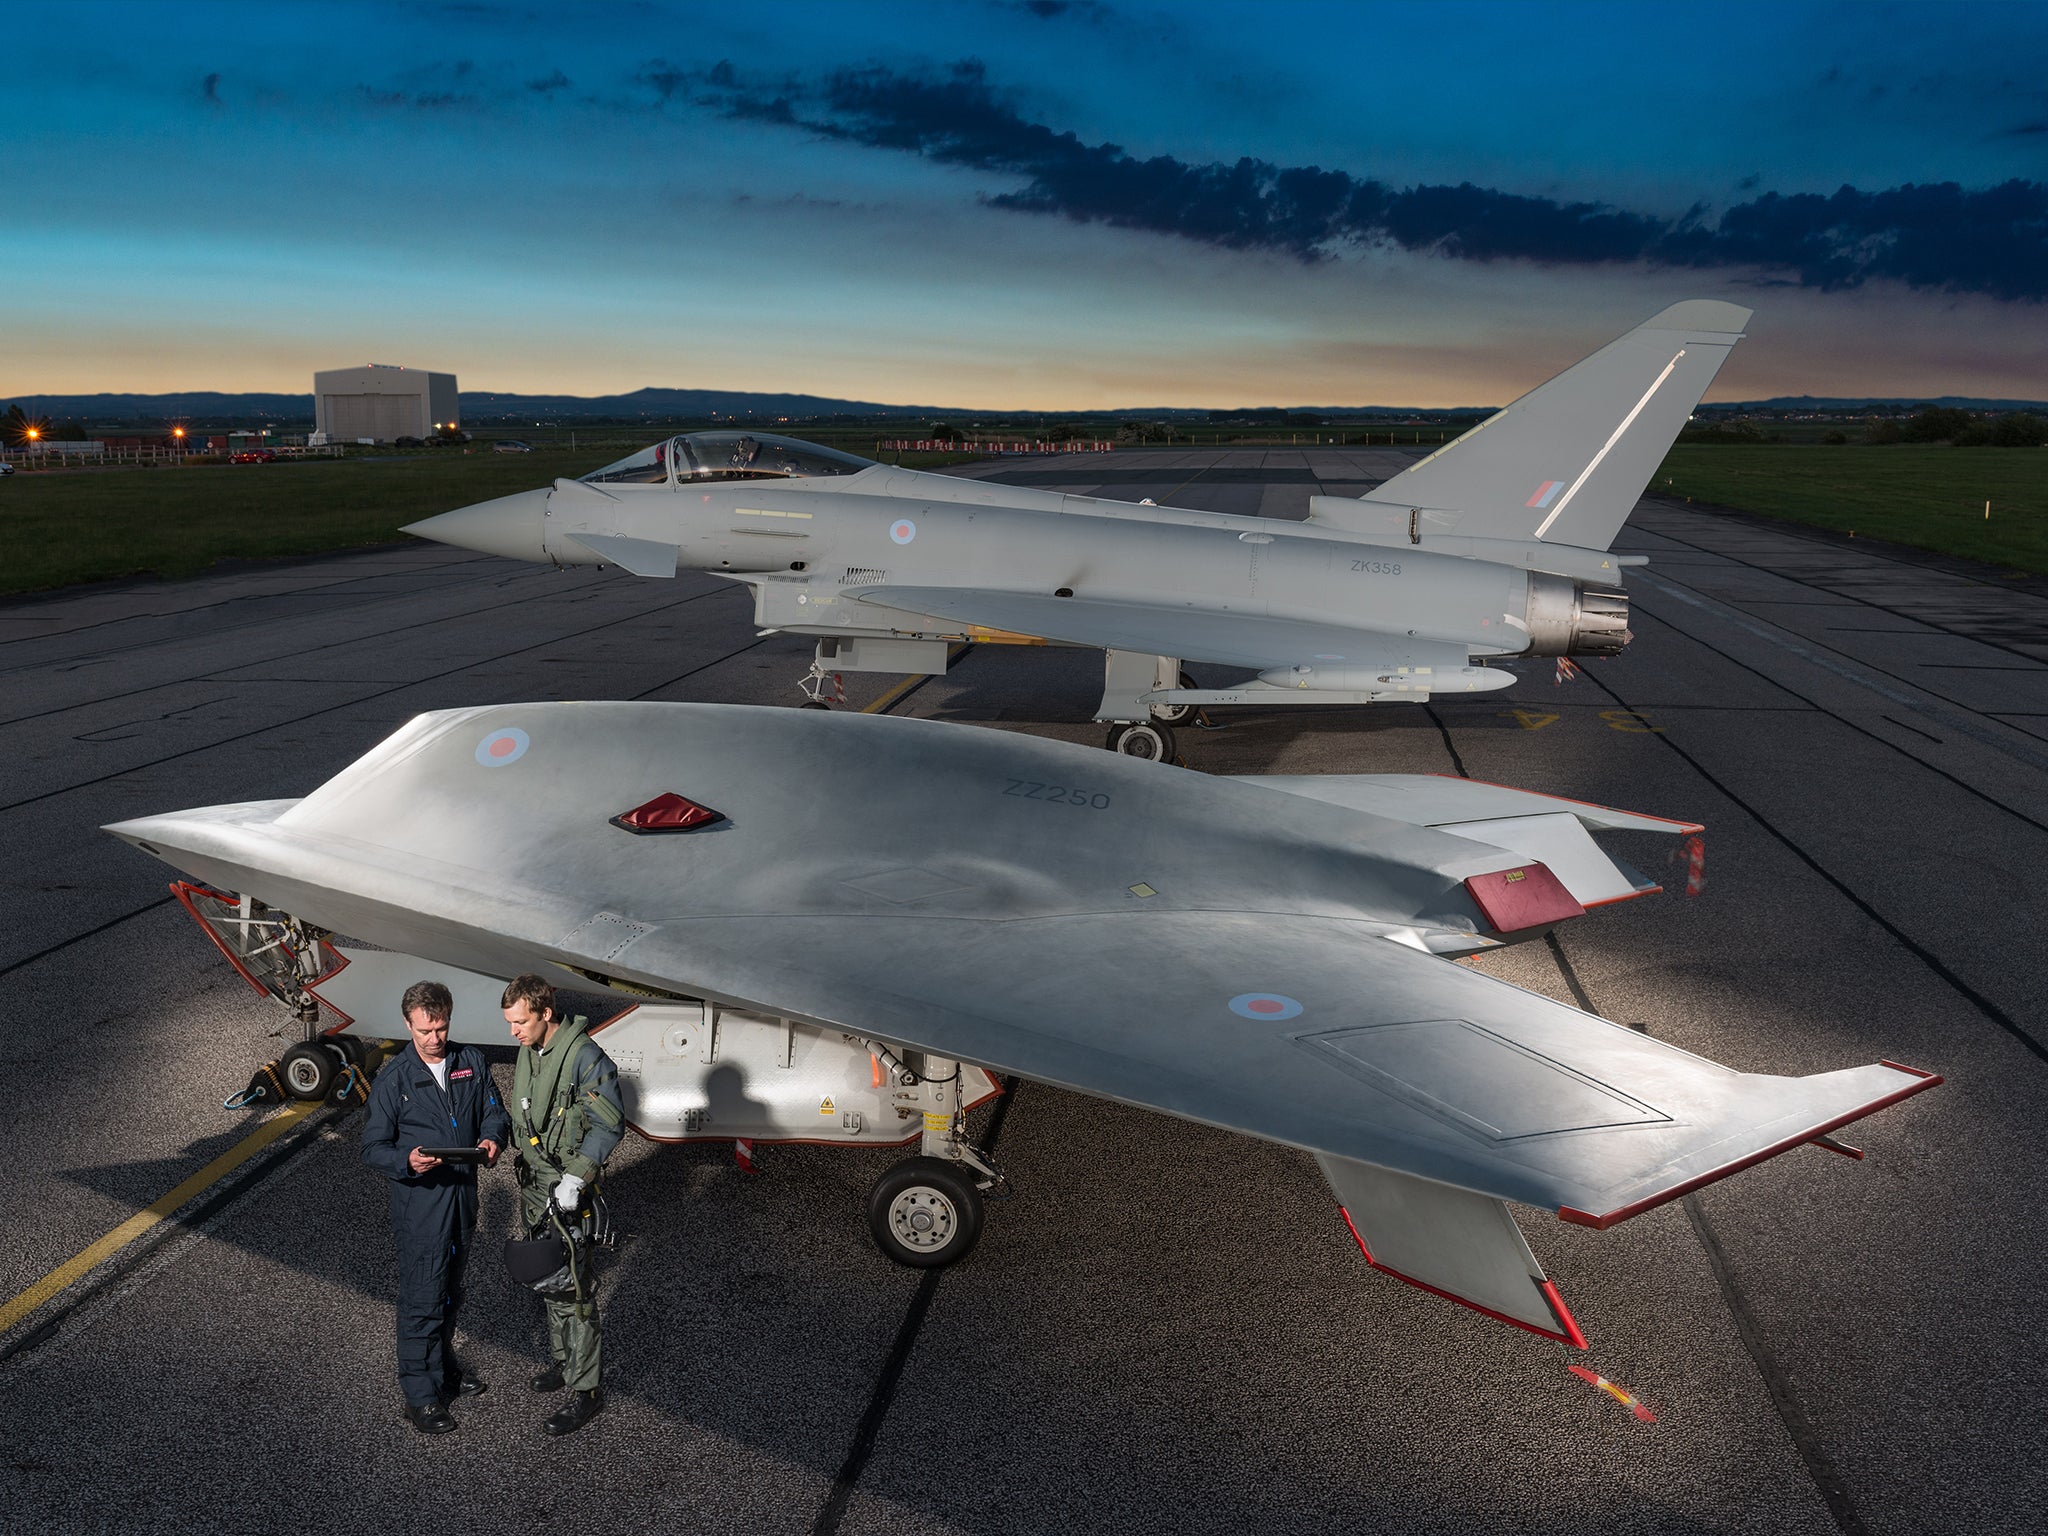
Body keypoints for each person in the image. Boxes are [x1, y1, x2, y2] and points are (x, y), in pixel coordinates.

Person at [361, 980, 509, 1435]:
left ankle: (443, 1371)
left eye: (441, 1028)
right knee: (422, 1299)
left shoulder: (471, 1062)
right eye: (425, 1030)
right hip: (421, 1205)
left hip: (463, 1197)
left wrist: (492, 1138)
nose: (434, 1039)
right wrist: (406, 1160)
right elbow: (372, 1148)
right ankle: (420, 1396)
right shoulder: (394, 1078)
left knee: (450, 1293)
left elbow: (494, 1112)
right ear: (408, 1025)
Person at [502, 972, 624, 1435]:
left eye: (520, 1021)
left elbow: (609, 1125)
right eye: (510, 1022)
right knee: (548, 1279)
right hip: (536, 1187)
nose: (513, 1031)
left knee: (576, 1291)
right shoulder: (530, 1048)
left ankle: (586, 1389)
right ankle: (563, 1361)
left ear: (545, 1013)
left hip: (567, 1191)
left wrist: (577, 1177)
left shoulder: (585, 1058)